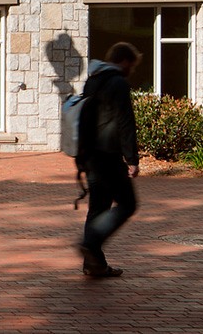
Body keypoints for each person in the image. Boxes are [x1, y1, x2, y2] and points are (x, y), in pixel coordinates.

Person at [74, 40, 141, 278]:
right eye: (131, 65)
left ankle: (93, 263)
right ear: (124, 61)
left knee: (99, 207)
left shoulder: (94, 80)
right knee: (128, 204)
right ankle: (90, 242)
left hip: (90, 156)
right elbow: (125, 122)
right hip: (108, 156)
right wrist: (132, 159)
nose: (131, 70)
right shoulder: (117, 82)